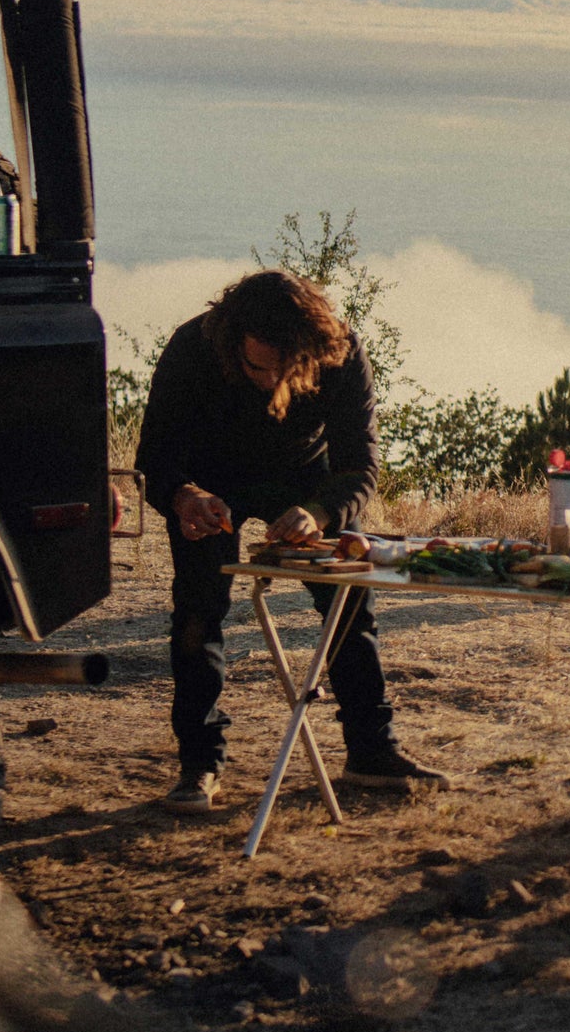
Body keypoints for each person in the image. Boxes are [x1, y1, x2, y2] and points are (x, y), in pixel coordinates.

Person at [135, 268, 447, 811]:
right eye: (259, 366)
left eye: (287, 368)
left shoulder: (341, 351)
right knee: (197, 613)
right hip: (210, 481)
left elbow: (360, 466)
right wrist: (185, 498)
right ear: (233, 343)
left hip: (306, 479)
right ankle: (199, 763)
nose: (272, 381)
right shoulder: (193, 347)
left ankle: (371, 750)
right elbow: (155, 457)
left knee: (350, 599)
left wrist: (320, 513)